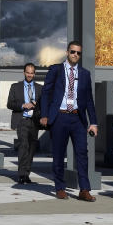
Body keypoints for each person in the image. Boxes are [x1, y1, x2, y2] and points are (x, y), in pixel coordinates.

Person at [39, 41, 99, 200]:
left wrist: (93, 122)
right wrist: (44, 115)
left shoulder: (85, 74)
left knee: (82, 153)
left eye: (78, 53)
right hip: (60, 116)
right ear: (67, 52)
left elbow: (89, 100)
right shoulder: (56, 70)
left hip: (78, 118)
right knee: (58, 154)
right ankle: (60, 187)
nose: (75, 55)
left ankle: (84, 189)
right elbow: (45, 93)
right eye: (73, 52)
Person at [6, 63, 41, 184]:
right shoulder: (15, 87)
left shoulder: (40, 88)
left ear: (34, 73)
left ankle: (27, 173)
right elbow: (9, 104)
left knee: (32, 148)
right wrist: (22, 105)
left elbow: (44, 105)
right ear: (24, 72)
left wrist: (37, 105)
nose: (30, 75)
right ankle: (22, 174)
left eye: (32, 73)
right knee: (23, 146)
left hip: (34, 122)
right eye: (28, 72)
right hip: (22, 120)